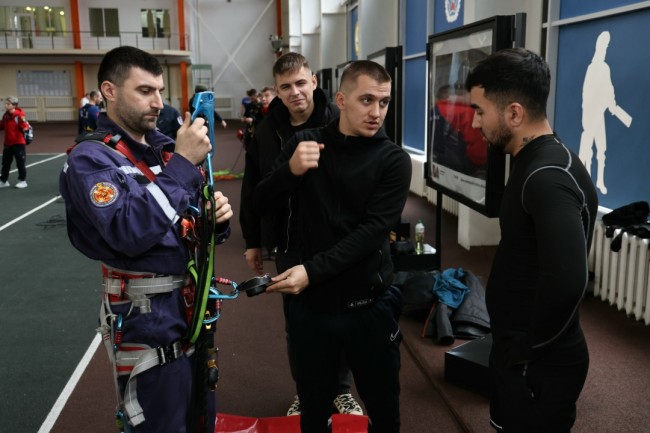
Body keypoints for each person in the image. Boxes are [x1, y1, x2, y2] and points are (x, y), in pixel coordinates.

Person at [59, 46, 233, 433]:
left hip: (191, 308)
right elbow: (128, 231)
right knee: (162, 423)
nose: (158, 102)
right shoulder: (91, 160)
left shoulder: (164, 149)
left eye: (160, 91)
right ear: (109, 91)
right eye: (145, 91)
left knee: (201, 416)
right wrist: (182, 165)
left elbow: (189, 219)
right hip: (146, 317)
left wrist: (215, 219)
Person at [253, 60, 411, 433]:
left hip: (369, 305)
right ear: (341, 100)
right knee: (313, 411)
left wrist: (311, 271)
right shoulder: (304, 144)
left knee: (384, 412)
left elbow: (371, 232)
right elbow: (260, 203)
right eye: (367, 100)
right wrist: (289, 172)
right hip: (312, 309)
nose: (376, 112)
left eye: (384, 102)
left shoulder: (393, 160)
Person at [465, 47, 598, 433]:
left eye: (480, 111)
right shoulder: (534, 161)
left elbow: (569, 281)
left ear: (514, 113)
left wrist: (526, 351)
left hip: (538, 362)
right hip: (520, 351)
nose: (474, 122)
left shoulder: (547, 176)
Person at [240, 52, 362, 417]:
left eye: (300, 83)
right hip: (290, 243)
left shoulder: (341, 121)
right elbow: (252, 187)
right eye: (286, 87)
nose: (295, 92)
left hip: (336, 242)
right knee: (300, 325)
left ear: (314, 82)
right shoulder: (266, 131)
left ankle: (340, 391)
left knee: (341, 320)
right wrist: (253, 240)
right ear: (276, 91)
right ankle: (307, 392)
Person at [0, 96, 30, 189]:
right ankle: (3, 181)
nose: (6, 105)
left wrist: (25, 129)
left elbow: (25, 126)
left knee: (20, 163)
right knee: (5, 163)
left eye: (8, 104)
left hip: (18, 143)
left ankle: (22, 180)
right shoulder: (5, 116)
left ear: (14, 105)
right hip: (8, 143)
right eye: (6, 103)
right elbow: (2, 126)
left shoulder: (19, 116)